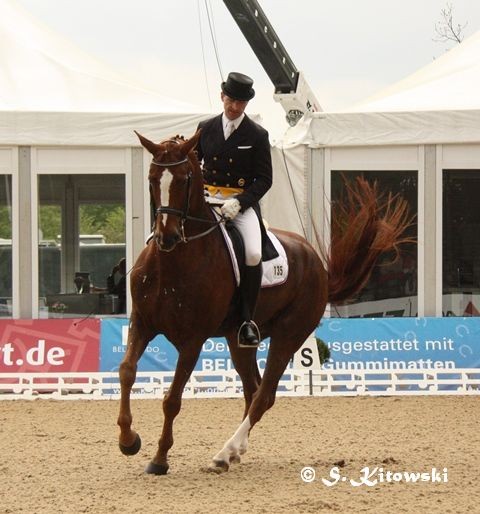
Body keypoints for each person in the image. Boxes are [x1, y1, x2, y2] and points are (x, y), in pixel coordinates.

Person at [196, 72, 273, 348]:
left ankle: (246, 321)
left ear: (246, 104)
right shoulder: (205, 128)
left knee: (253, 252)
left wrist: (240, 201)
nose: (234, 107)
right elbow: (194, 167)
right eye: (231, 100)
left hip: (239, 205)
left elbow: (265, 179)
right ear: (222, 97)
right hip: (206, 202)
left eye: (240, 103)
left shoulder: (257, 134)